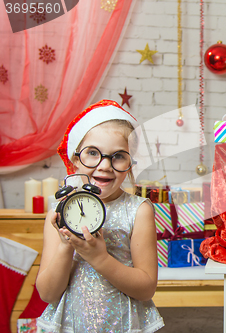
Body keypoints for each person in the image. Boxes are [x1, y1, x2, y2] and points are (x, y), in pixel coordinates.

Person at [36, 100, 164, 333]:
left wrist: (99, 258)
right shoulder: (58, 212)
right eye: (93, 153)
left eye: (118, 156)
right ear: (75, 159)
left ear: (130, 164)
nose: (104, 166)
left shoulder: (138, 210)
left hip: (125, 325)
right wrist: (66, 246)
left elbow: (146, 289)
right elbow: (47, 293)